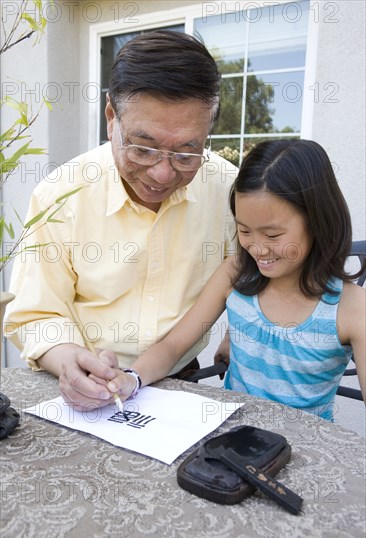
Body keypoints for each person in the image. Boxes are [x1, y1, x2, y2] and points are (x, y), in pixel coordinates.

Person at [4, 31, 237, 410]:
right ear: (111, 117)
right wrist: (68, 361)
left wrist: (238, 335)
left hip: (183, 381)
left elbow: (255, 276)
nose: (162, 174)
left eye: (186, 153)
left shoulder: (229, 190)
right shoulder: (60, 194)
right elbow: (35, 312)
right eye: (143, 148)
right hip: (80, 383)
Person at [103, 139, 365, 421]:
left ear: (318, 222)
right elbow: (173, 346)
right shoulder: (235, 273)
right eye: (245, 231)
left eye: (273, 235)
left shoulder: (351, 309)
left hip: (307, 453)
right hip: (232, 442)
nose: (258, 249)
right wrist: (132, 378)